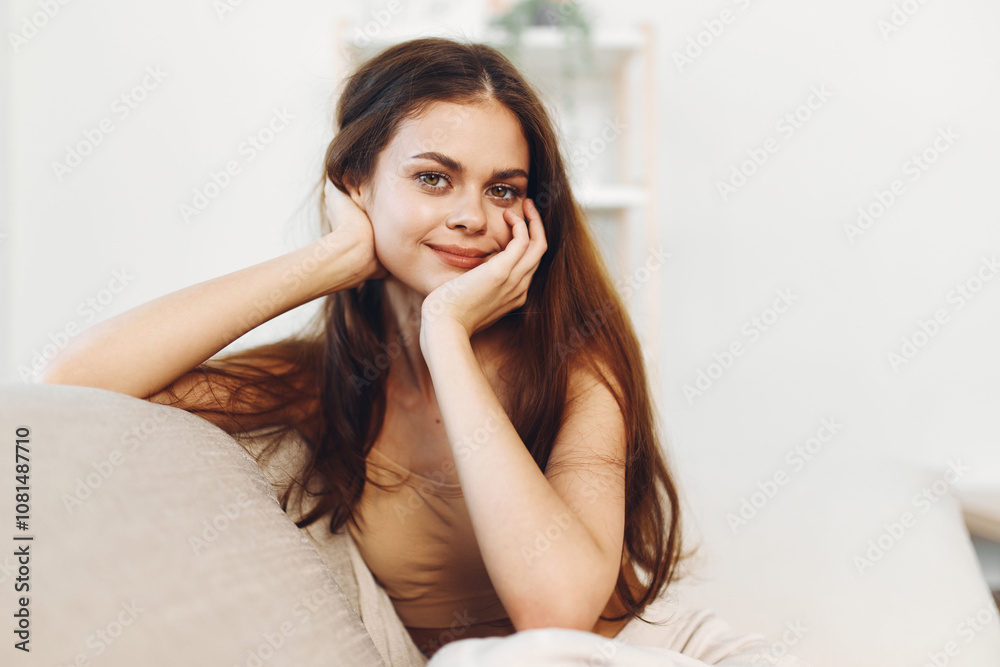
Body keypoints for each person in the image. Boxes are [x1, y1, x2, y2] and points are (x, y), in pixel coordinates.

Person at [40, 37, 800, 664]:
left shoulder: (578, 358)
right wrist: (336, 257)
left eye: (505, 189)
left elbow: (555, 615)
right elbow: (76, 384)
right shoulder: (325, 385)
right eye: (434, 179)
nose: (473, 215)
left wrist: (446, 337)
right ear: (357, 183)